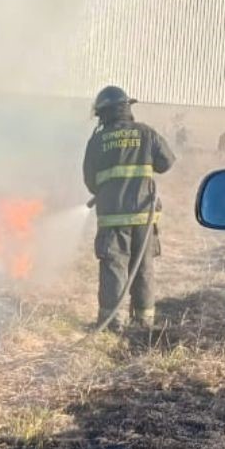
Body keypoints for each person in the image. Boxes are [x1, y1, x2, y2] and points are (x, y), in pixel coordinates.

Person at [83, 86, 176, 329]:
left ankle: (112, 324)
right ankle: (144, 322)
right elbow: (166, 163)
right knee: (143, 267)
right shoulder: (146, 134)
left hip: (112, 219)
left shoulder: (97, 141)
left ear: (104, 113)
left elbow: (90, 181)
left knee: (114, 268)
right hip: (145, 216)